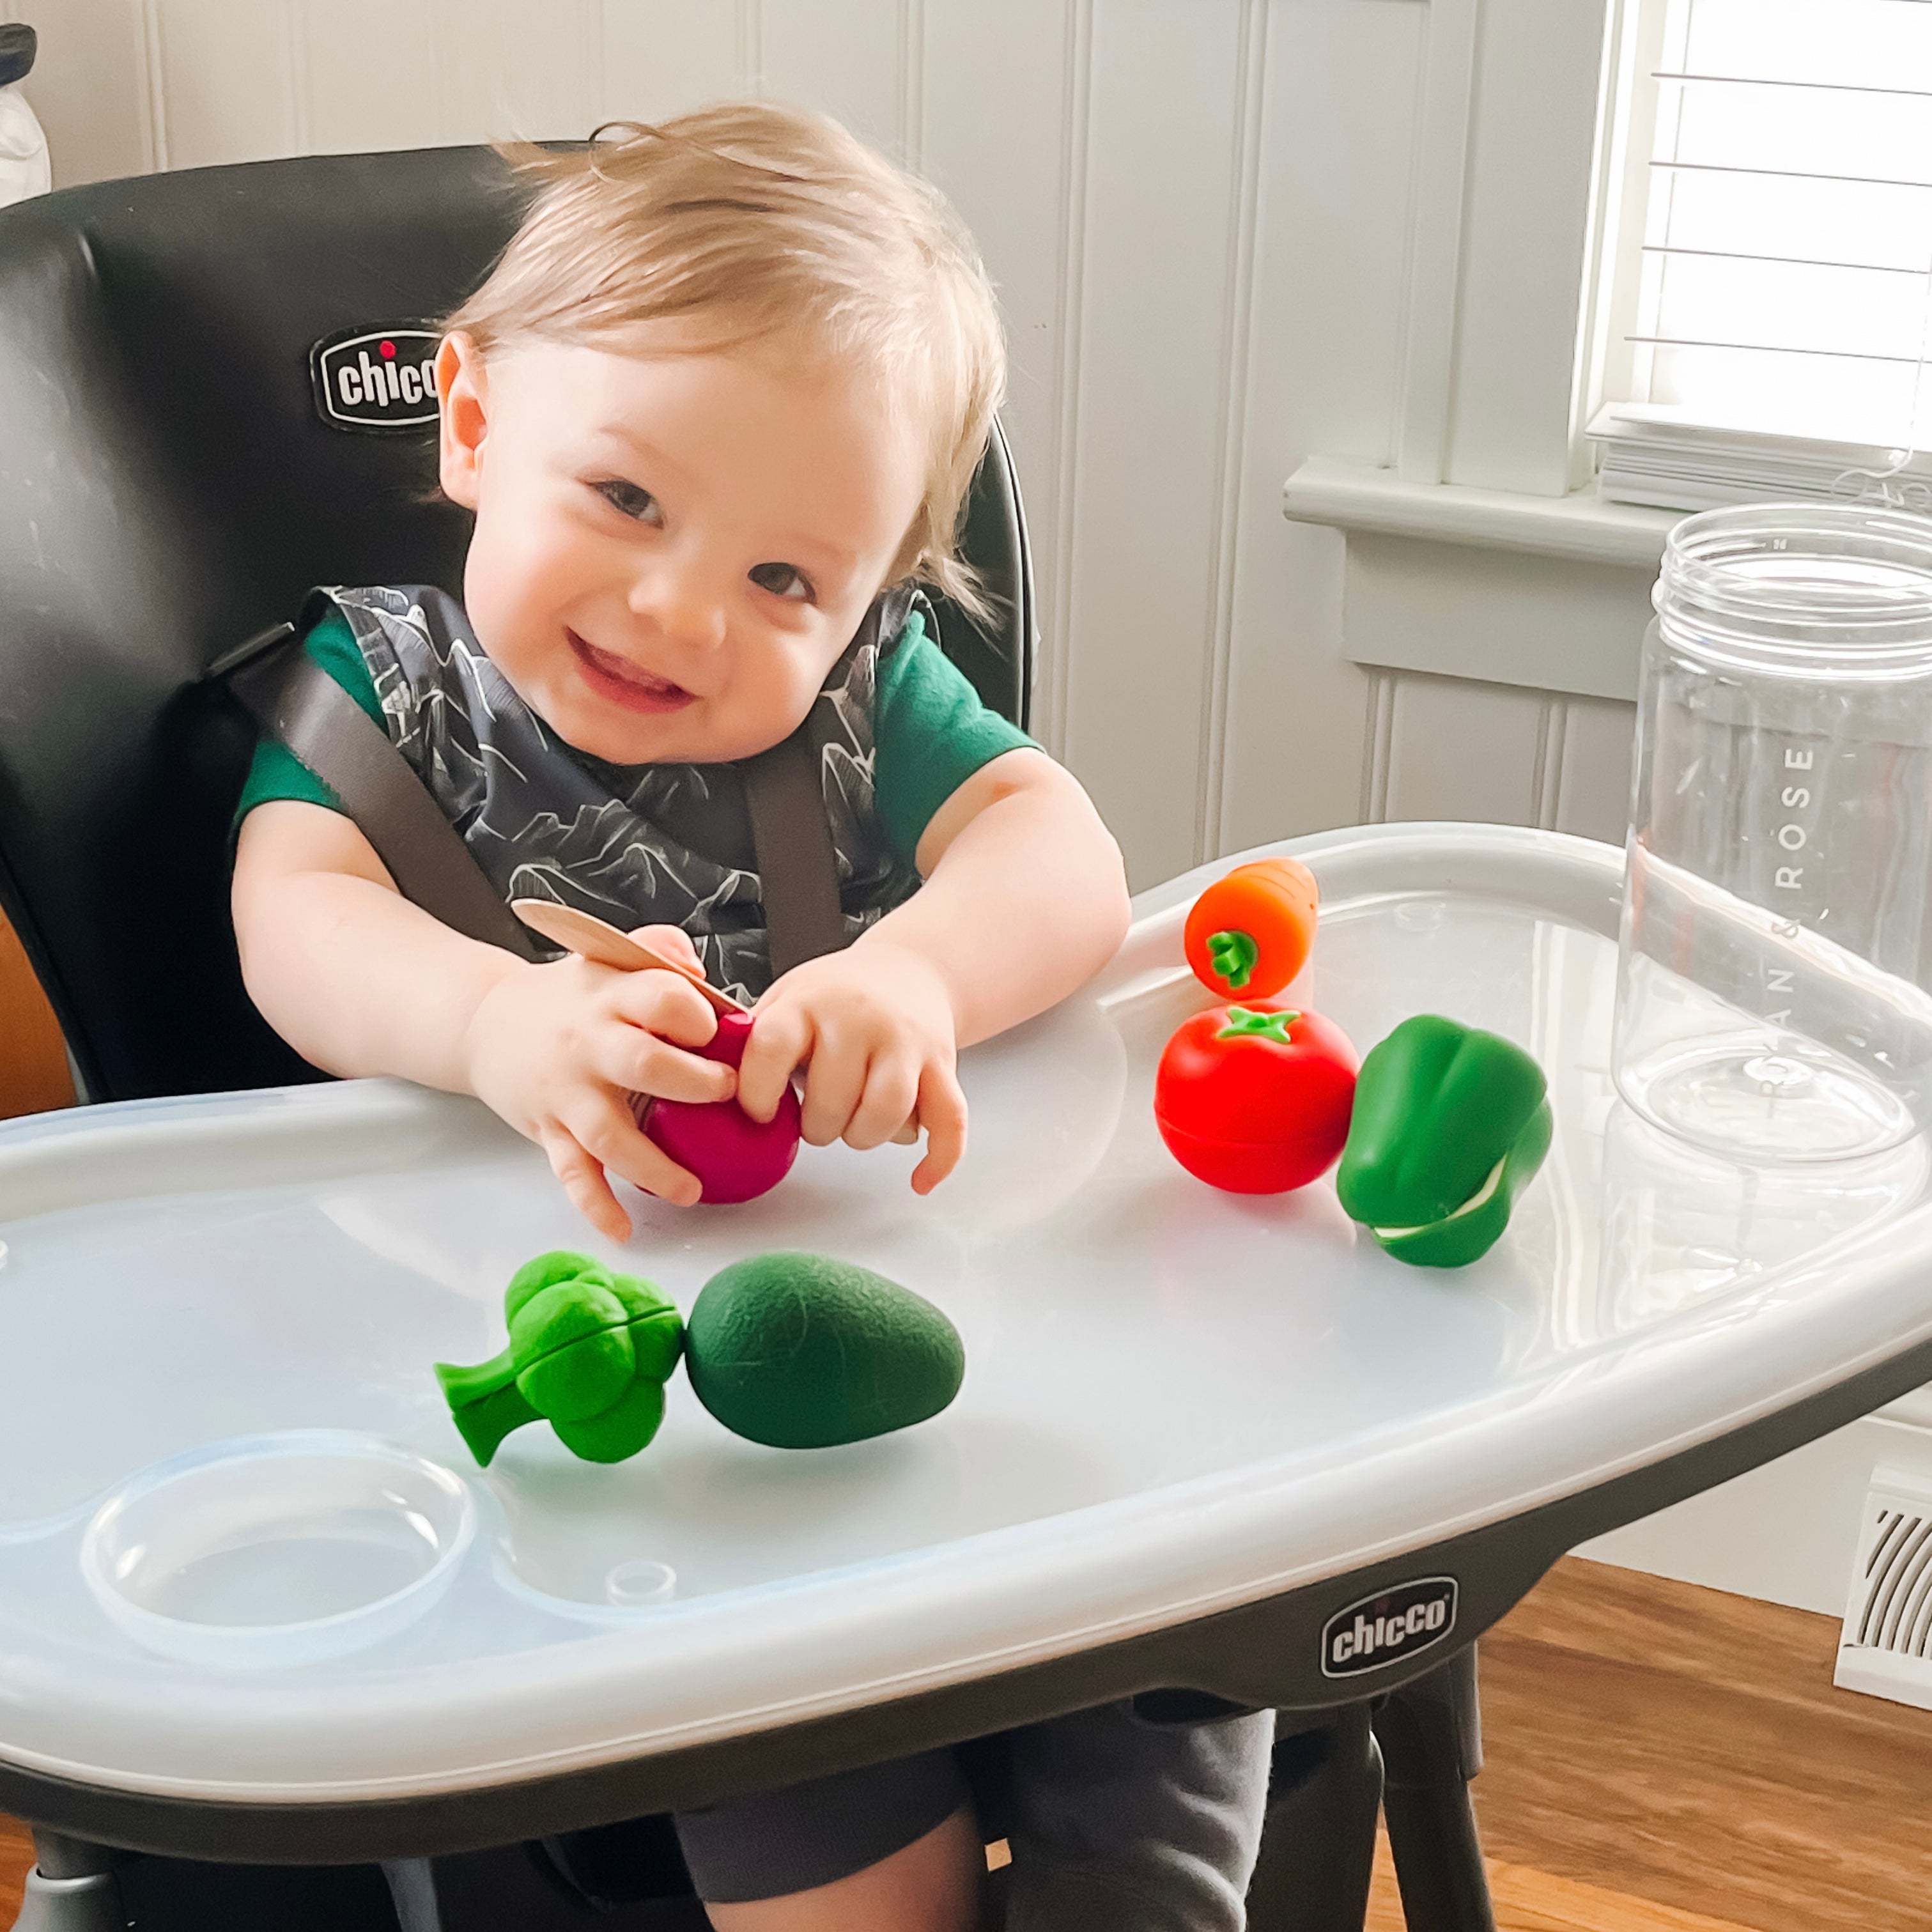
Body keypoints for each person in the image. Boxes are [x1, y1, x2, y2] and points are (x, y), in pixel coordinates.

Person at [231, 103, 1271, 1932]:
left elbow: (1062, 854)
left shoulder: (861, 708)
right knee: (809, 1781)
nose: (681, 607)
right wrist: (491, 1027)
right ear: (473, 422)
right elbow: (291, 922)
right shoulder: (388, 692)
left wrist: (912, 973)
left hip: (958, 1361)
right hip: (650, 1447)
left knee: (1184, 1591)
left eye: (788, 577)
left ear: (869, 595)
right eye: (626, 497)